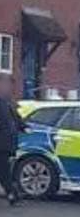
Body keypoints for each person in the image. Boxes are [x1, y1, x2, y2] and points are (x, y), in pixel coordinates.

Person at [0, 75, 27, 206]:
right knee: (4, 171)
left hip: (7, 143)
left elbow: (16, 118)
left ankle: (12, 194)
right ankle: (12, 195)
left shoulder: (7, 101)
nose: (8, 88)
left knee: (4, 171)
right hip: (2, 144)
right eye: (5, 84)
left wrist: (24, 127)